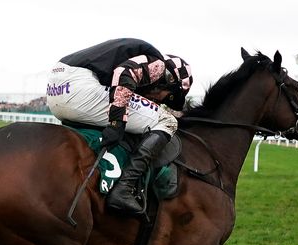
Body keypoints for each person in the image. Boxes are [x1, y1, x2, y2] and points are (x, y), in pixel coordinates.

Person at [46, 38, 193, 214]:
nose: (159, 100)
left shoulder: (135, 55)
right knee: (167, 121)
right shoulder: (158, 65)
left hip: (55, 89)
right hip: (79, 87)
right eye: (167, 96)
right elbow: (124, 73)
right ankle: (124, 188)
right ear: (169, 80)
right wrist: (117, 122)